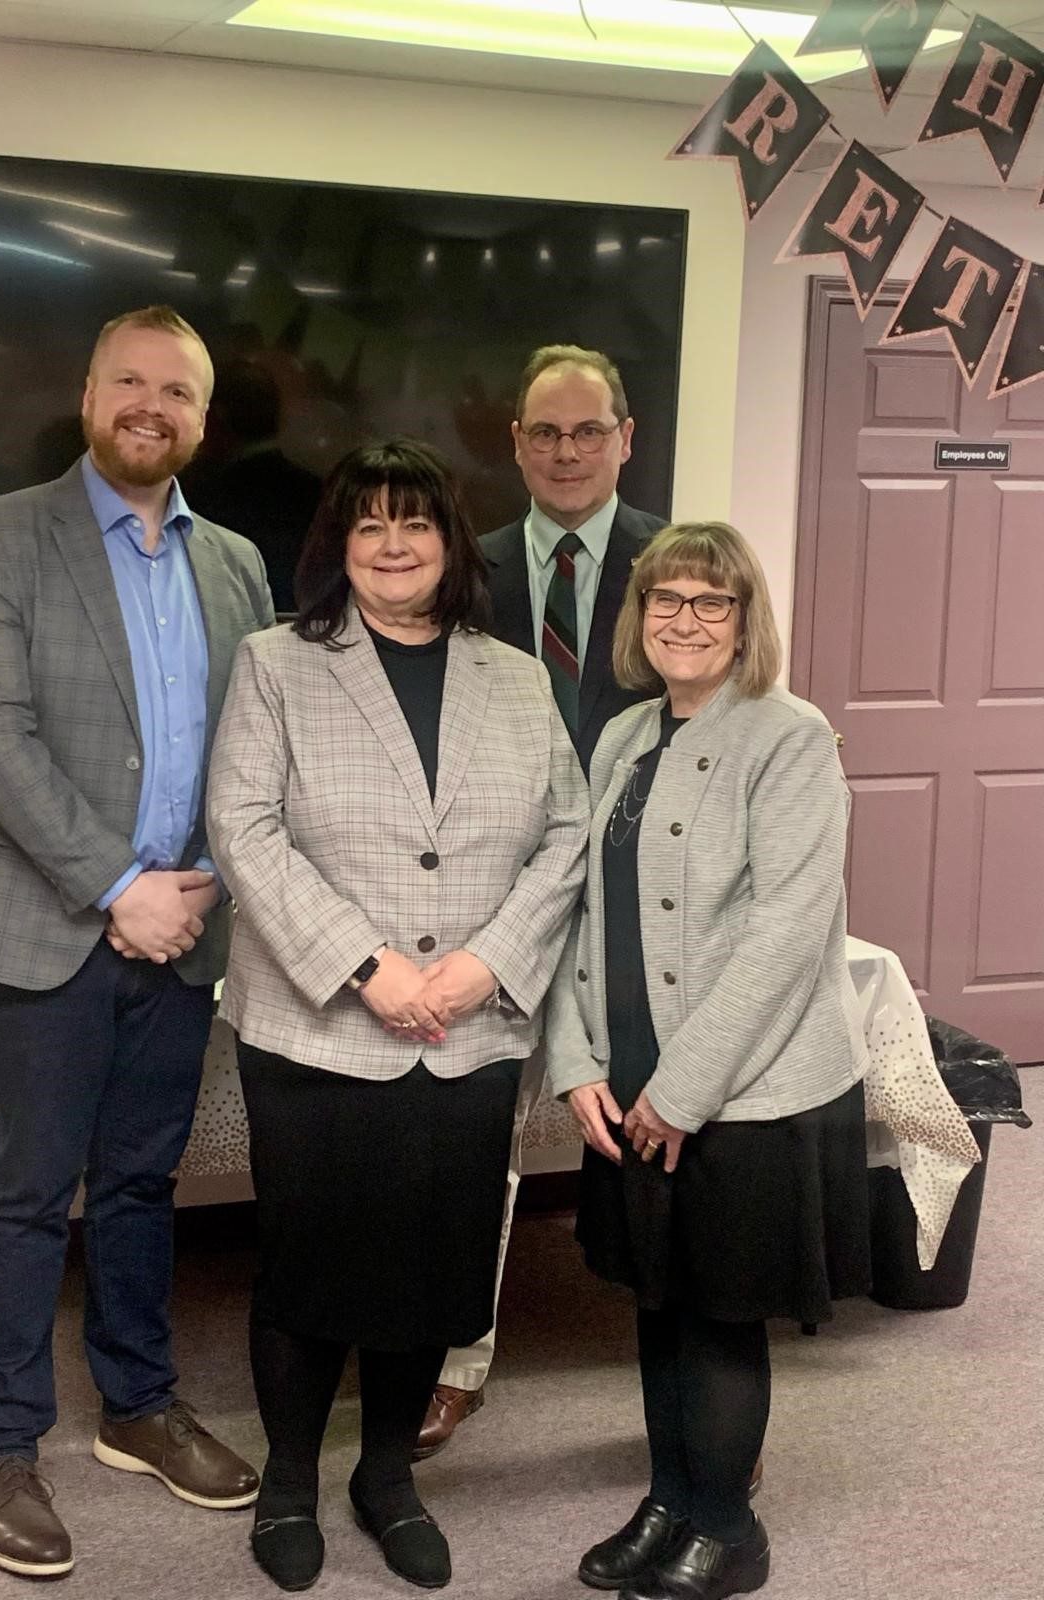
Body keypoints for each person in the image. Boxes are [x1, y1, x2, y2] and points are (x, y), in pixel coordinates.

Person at [0, 306, 275, 1579]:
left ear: (201, 415)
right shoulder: (3, 535)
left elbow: (254, 751)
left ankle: (136, 1405)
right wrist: (120, 883)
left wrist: (200, 886)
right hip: (50, 924)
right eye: (129, 380)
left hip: (182, 934)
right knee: (29, 1192)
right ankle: (3, 1447)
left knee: (141, 1183)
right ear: (88, 394)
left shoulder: (234, 561)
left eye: (175, 389)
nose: (150, 404)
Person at [206, 437, 586, 1592]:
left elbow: (567, 832)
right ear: (339, 542)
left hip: (470, 1030)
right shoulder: (277, 662)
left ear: (448, 541)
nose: (391, 544)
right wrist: (370, 967)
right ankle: (286, 1482)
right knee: (311, 1264)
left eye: (413, 523)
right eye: (367, 524)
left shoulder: (515, 674)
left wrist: (484, 965)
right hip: (323, 1026)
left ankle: (384, 1474)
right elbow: (243, 827)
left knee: (436, 1267)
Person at [548, 522, 871, 1600]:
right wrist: (578, 1058)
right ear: (640, 617)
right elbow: (580, 912)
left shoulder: (789, 737)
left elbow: (787, 929)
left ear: (745, 622)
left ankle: (727, 1524)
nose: (684, 619)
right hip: (627, 1069)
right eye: (665, 599)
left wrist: (682, 1091)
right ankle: (670, 1496)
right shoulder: (623, 734)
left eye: (710, 602)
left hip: (743, 1084)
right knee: (658, 1295)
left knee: (721, 1308)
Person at [417, 344, 665, 1459]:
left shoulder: (678, 567)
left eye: (588, 430)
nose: (567, 450)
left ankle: (706, 1399)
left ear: (624, 437)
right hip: (490, 906)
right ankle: (453, 1363)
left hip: (640, 914)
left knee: (665, 1150)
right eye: (544, 432)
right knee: (467, 1149)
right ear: (514, 444)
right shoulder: (463, 569)